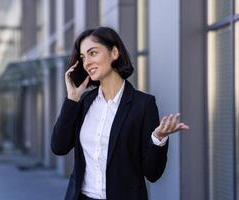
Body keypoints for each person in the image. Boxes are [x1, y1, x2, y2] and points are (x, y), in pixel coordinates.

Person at [51, 27, 189, 200]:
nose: (86, 62)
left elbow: (152, 173)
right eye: (83, 57)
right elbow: (59, 147)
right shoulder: (84, 102)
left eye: (93, 53)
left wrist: (158, 138)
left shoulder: (143, 104)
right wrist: (72, 99)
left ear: (114, 52)